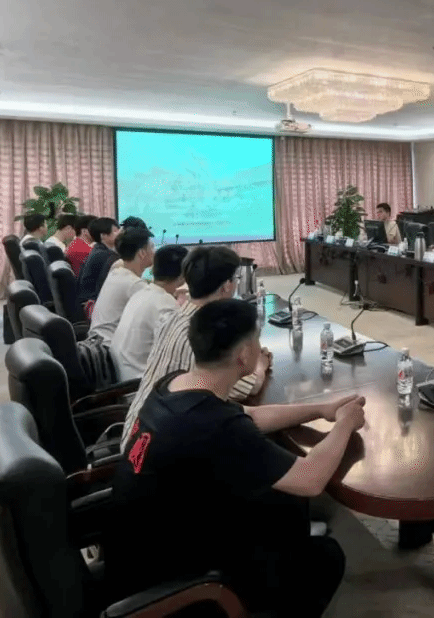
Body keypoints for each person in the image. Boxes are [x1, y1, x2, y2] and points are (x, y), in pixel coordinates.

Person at [107, 298, 365, 617]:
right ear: (244, 355)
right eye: (257, 340)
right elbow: (311, 479)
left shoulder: (174, 384)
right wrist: (345, 424)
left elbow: (250, 415)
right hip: (172, 582)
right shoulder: (213, 425)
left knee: (281, 498)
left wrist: (322, 409)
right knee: (325, 557)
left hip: (143, 546)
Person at [122, 246, 270, 441]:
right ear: (227, 286)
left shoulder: (174, 317)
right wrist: (260, 365)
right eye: (236, 279)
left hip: (139, 428)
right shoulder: (203, 334)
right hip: (154, 444)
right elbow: (248, 387)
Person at [112, 245, 189, 381]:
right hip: (138, 382)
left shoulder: (142, 293)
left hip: (123, 374)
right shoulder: (165, 306)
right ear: (183, 275)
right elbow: (177, 357)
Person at [86, 227, 155, 348]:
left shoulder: (116, 272)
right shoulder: (134, 284)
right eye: (152, 247)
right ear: (142, 253)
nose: (155, 251)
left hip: (97, 342)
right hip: (110, 348)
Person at [76, 217, 121, 305]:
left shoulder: (97, 250)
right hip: (92, 303)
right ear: (103, 235)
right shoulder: (106, 256)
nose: (120, 234)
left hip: (88, 300)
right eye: (115, 231)